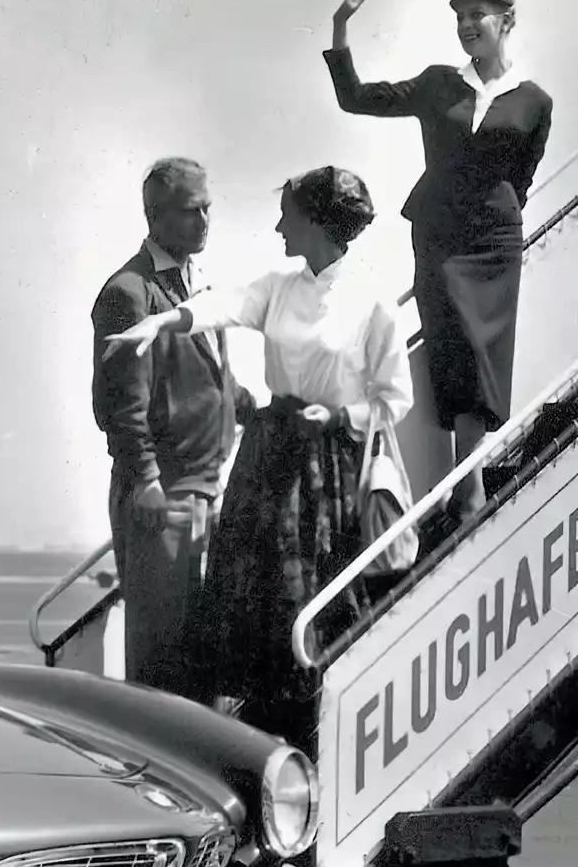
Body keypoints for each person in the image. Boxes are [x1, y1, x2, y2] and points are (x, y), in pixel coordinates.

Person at [104, 167, 414, 748]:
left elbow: (395, 398)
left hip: (327, 470)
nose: (277, 228)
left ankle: (313, 742)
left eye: (287, 217)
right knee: (253, 608)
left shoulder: (372, 302)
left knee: (313, 602)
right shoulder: (276, 285)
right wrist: (161, 320)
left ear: (316, 222)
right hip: (268, 461)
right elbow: (221, 309)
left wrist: (338, 417)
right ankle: (252, 745)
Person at [323, 0, 554, 520]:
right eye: (460, 17)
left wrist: (498, 217)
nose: (467, 25)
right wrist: (340, 26)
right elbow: (356, 98)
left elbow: (521, 176)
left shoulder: (536, 102)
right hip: (440, 235)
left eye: (478, 15)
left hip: (494, 242)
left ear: (506, 20)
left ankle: (467, 488)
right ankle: (466, 485)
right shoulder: (438, 83)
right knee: (454, 345)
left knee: (483, 351)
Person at [90, 157, 253, 701]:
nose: (204, 221)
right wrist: (146, 480)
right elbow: (120, 404)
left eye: (208, 208)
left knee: (199, 653)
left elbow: (216, 378)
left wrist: (262, 410)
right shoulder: (129, 293)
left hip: (203, 487)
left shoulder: (197, 285)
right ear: (155, 216)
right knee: (162, 659)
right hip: (163, 493)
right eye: (190, 211)